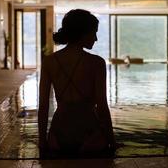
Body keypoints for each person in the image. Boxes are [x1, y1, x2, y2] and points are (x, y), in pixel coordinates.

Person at [38, 9, 116, 159]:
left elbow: (43, 106)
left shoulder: (49, 62)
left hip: (58, 137)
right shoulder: (96, 63)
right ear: (83, 33)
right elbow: (102, 106)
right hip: (90, 136)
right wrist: (111, 141)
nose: (96, 38)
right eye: (94, 33)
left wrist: (42, 141)